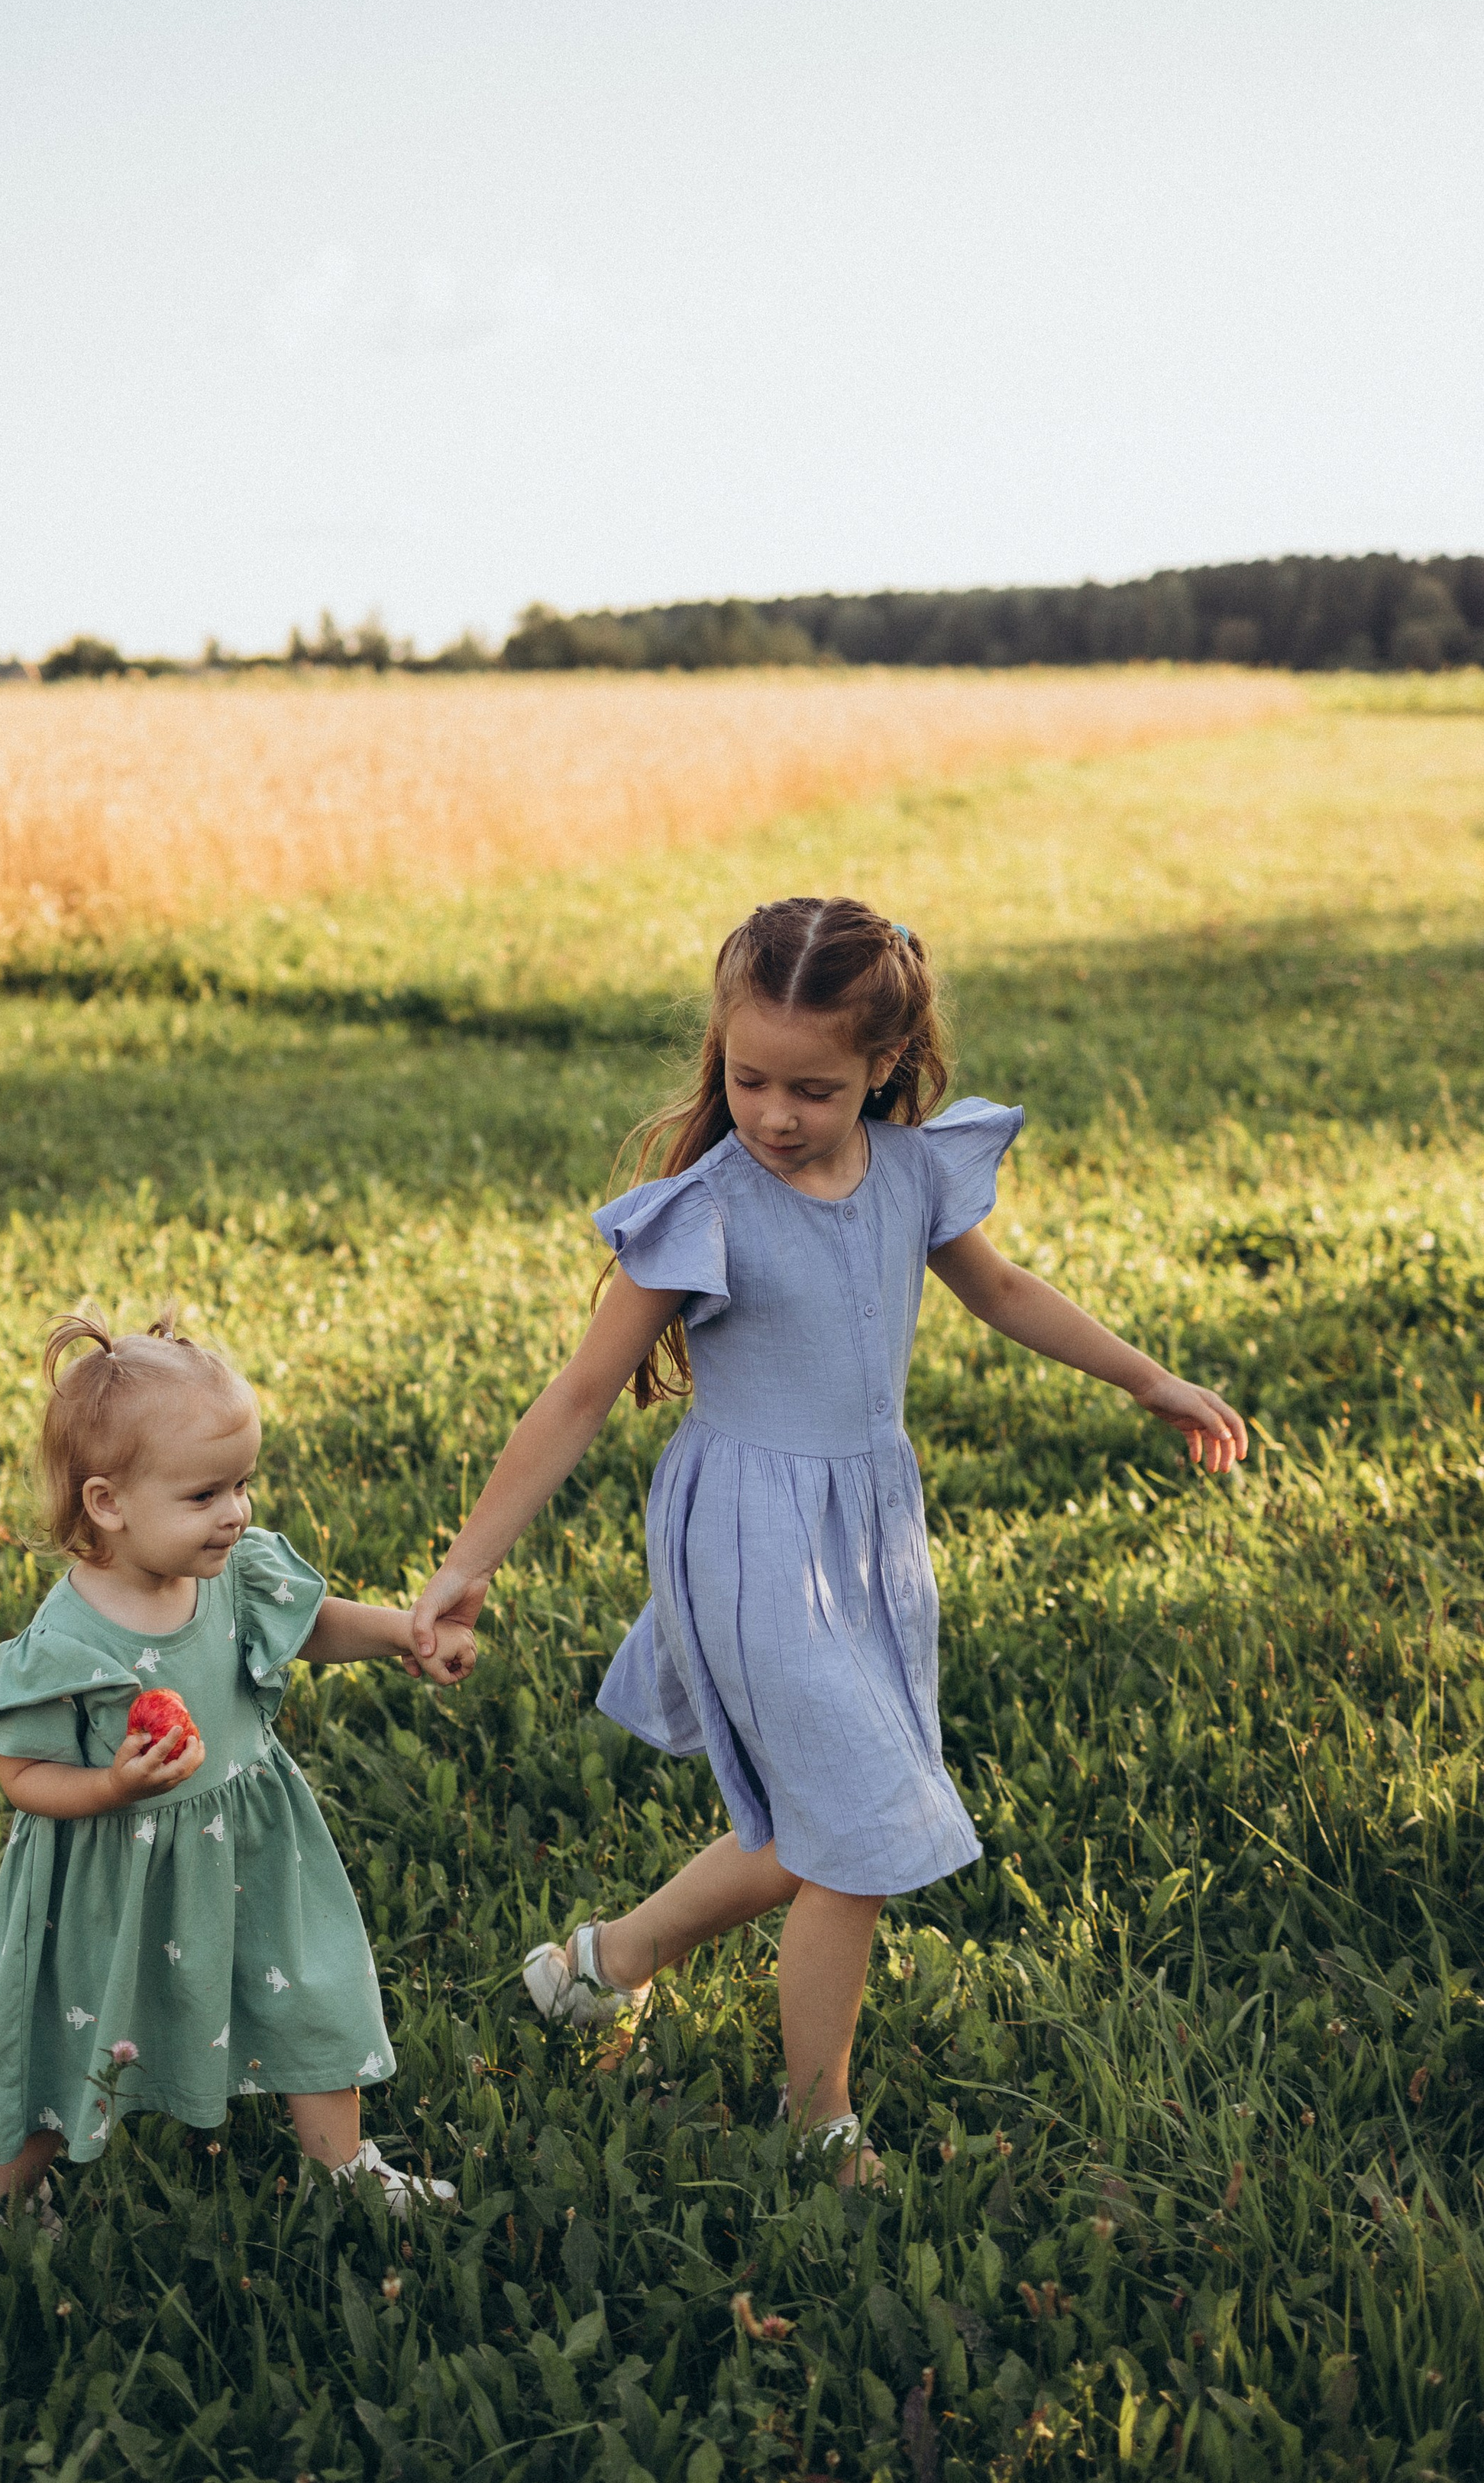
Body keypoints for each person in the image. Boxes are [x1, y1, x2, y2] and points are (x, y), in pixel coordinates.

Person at [409, 895, 1246, 2181]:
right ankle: (819, 2128)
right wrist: (468, 1565)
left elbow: (1004, 1290)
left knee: (814, 1823)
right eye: (749, 1079)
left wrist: (1150, 1379)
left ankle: (603, 1965)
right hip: (745, 1537)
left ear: (885, 1064)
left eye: (814, 1088)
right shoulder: (704, 1210)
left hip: (866, 1535)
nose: (775, 1114)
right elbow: (578, 1395)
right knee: (854, 1836)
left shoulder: (912, 1173)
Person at [0, 1308, 475, 2236]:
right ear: (107, 1503)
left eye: (243, 1485)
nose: (236, 1512)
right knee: (74, 2054)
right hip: (114, 1886)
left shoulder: (228, 1573)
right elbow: (19, 1775)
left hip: (249, 1848)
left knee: (311, 1995)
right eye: (204, 1495)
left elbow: (309, 1625)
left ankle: (344, 2169)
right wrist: (113, 1787)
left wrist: (404, 1634)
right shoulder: (67, 1643)